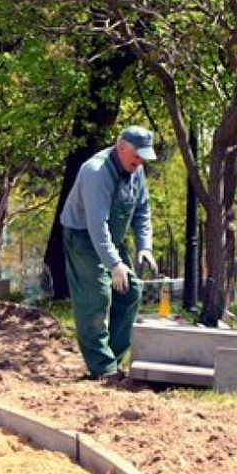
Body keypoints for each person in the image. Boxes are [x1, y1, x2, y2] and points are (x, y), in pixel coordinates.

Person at [60, 125, 158, 381]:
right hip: (83, 238)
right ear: (121, 147)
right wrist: (114, 264)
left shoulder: (136, 170)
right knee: (97, 298)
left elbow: (142, 210)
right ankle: (102, 369)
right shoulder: (96, 172)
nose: (140, 162)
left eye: (144, 158)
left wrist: (145, 246)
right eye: (137, 156)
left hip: (111, 238)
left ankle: (111, 360)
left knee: (131, 292)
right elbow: (96, 224)